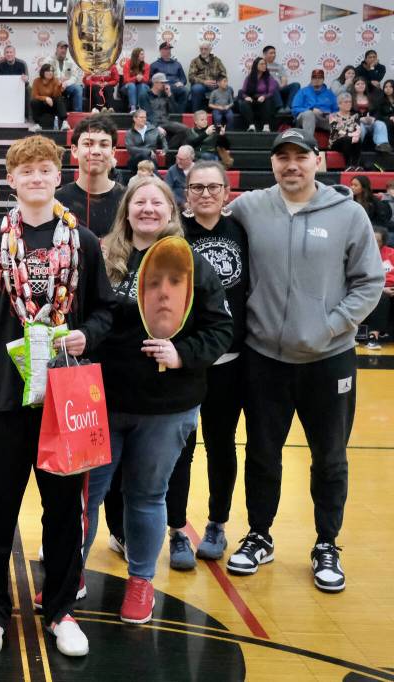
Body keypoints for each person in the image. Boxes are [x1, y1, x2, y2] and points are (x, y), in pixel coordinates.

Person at [0, 135, 114, 657]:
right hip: (3, 399)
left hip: (66, 402)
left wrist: (86, 334)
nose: (36, 178)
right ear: (12, 180)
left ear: (57, 173)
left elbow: (105, 313)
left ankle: (62, 610)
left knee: (65, 512)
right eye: (26, 172)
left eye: (46, 170)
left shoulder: (83, 241)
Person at [225, 128, 384, 592]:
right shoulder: (252, 207)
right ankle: (259, 535)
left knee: (330, 457)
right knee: (261, 454)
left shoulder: (348, 214)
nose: (291, 165)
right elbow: (207, 222)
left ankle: (326, 543)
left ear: (318, 160)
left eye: (300, 156)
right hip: (265, 359)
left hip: (328, 359)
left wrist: (331, 324)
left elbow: (369, 283)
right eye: (282, 158)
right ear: (273, 165)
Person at [84, 176, 231, 624]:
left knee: (147, 497)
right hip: (101, 402)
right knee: (86, 495)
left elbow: (221, 329)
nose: (148, 209)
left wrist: (181, 352)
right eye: (139, 201)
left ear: (171, 211)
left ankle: (140, 584)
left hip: (167, 407)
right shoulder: (99, 255)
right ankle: (67, 574)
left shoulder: (191, 263)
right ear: (126, 209)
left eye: (157, 202)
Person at [163, 161, 249, 569]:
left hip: (230, 361)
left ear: (227, 192)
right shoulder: (175, 235)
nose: (206, 194)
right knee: (180, 449)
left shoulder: (242, 233)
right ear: (186, 194)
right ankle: (177, 530)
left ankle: (217, 523)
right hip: (185, 360)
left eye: (214, 187)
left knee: (221, 445)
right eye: (197, 188)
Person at [57, 115, 126, 238]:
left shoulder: (128, 200)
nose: (95, 151)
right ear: (74, 150)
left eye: (104, 145)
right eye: (88, 144)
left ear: (113, 152)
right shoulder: (57, 201)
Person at [141, 74, 192, 148]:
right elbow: (148, 115)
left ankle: (169, 149)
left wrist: (170, 95)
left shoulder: (165, 94)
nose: (164, 85)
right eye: (162, 82)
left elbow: (175, 111)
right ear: (155, 83)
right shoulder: (145, 95)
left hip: (166, 122)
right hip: (151, 123)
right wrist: (156, 126)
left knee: (186, 130)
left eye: (165, 82)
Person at [364, 226, 394, 349]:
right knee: (382, 297)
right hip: (373, 289)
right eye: (372, 239)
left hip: (392, 287)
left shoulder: (391, 253)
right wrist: (382, 289)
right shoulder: (363, 254)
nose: (375, 243)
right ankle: (373, 337)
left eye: (378, 241)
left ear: (383, 242)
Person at [349, 78, 392, 154]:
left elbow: (378, 111)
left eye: (363, 84)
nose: (361, 85)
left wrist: (373, 118)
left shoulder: (371, 98)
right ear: (354, 86)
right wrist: (360, 119)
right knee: (359, 127)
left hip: (371, 122)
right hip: (358, 122)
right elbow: (347, 113)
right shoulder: (350, 99)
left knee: (380, 124)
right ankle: (356, 147)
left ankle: (382, 145)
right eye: (358, 84)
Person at [292, 69, 338, 138]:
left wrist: (330, 114)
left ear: (323, 79)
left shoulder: (329, 93)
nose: (317, 80)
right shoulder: (303, 91)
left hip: (323, 118)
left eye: (319, 78)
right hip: (305, 117)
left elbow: (336, 110)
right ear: (311, 79)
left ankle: (337, 145)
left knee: (337, 120)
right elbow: (295, 108)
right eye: (314, 78)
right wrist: (311, 109)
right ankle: (308, 143)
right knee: (309, 114)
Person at [238, 57, 278, 132]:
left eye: (265, 64)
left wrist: (264, 96)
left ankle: (266, 126)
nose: (264, 66)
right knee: (244, 103)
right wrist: (246, 97)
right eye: (262, 64)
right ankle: (251, 126)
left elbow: (271, 92)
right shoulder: (249, 78)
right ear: (256, 66)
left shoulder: (268, 77)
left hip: (264, 100)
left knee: (267, 101)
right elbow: (243, 91)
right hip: (253, 100)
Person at [188, 43, 228, 113]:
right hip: (201, 85)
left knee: (228, 88)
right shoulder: (195, 61)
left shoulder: (217, 61)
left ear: (210, 50)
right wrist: (204, 82)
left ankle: (219, 115)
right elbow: (191, 77)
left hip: (214, 84)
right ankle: (196, 114)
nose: (203, 51)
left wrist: (218, 83)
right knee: (196, 88)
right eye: (201, 49)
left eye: (205, 49)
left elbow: (223, 74)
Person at [150, 42, 188, 112]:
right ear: (160, 51)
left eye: (169, 49)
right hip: (162, 86)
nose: (168, 51)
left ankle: (180, 114)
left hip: (175, 86)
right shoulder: (154, 65)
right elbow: (150, 80)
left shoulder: (177, 64)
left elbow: (184, 79)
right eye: (166, 49)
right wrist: (159, 84)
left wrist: (181, 83)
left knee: (185, 90)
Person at [329, 92, 363, 170]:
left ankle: (356, 165)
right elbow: (337, 131)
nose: (348, 104)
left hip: (351, 139)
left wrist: (356, 135)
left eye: (350, 102)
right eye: (345, 102)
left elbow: (358, 129)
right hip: (336, 141)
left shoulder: (355, 116)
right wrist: (351, 135)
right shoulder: (333, 116)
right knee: (347, 139)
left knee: (358, 140)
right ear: (339, 104)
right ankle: (348, 165)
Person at [47, 40, 83, 113]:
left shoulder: (71, 61)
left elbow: (74, 77)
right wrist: (58, 82)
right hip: (53, 86)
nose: (64, 50)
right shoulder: (49, 60)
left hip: (66, 86)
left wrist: (66, 83)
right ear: (57, 49)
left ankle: (77, 115)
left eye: (65, 49)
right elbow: (45, 75)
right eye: (61, 48)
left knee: (78, 88)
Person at [262, 45, 300, 112]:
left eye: (274, 53)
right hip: (268, 89)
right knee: (273, 83)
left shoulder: (279, 66)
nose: (274, 55)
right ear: (265, 54)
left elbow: (284, 79)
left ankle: (289, 107)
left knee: (296, 85)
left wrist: (281, 86)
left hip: (279, 88)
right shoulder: (261, 65)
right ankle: (279, 107)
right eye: (271, 53)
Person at [31, 64, 66, 131]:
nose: (51, 73)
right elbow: (34, 95)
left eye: (52, 71)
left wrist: (59, 86)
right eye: (48, 71)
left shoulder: (55, 80)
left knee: (59, 98)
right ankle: (37, 124)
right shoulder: (37, 81)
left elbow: (56, 95)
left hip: (52, 105)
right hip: (42, 105)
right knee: (34, 101)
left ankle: (64, 122)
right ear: (43, 72)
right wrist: (46, 98)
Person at [122, 48, 151, 113]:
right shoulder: (127, 64)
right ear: (136, 55)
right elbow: (126, 80)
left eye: (143, 54)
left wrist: (141, 78)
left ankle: (141, 108)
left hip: (142, 86)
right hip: (128, 87)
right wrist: (135, 78)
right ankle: (133, 108)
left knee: (142, 86)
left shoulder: (146, 66)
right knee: (132, 85)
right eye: (141, 54)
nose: (143, 56)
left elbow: (147, 80)